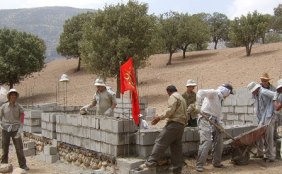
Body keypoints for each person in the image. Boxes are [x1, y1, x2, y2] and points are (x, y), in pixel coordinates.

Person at [139, 85, 187, 174]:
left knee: (160, 142)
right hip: (181, 126)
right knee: (176, 149)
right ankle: (177, 170)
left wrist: (159, 117)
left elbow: (170, 110)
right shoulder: (182, 98)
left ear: (168, 92)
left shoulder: (173, 97)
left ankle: (150, 162)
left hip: (174, 124)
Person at [195, 84, 233, 172]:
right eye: (229, 93)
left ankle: (216, 162)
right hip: (205, 119)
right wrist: (198, 105)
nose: (228, 96)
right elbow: (200, 92)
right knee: (207, 141)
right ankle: (199, 165)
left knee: (219, 139)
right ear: (226, 91)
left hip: (214, 121)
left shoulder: (220, 100)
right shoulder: (214, 93)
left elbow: (218, 115)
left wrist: (221, 126)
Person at [0, 89, 29, 170]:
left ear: (16, 97)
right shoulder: (3, 107)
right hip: (5, 129)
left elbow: (22, 118)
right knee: (5, 147)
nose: (13, 96)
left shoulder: (19, 107)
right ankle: (3, 164)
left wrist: (20, 129)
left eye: (15, 95)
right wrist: (1, 125)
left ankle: (23, 165)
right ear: (9, 96)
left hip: (16, 129)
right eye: (12, 95)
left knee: (19, 148)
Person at [247, 82, 276, 162]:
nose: (252, 92)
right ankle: (260, 153)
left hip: (269, 116)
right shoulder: (256, 94)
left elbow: (276, 95)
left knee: (268, 137)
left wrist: (273, 107)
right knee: (259, 134)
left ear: (256, 88)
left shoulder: (264, 92)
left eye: (253, 90)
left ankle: (270, 157)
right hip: (262, 118)